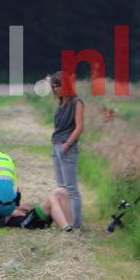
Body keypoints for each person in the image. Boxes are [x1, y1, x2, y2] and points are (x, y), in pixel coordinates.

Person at [50, 70, 84, 229]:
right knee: (61, 187)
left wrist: (67, 144)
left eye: (59, 85)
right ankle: (66, 222)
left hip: (67, 147)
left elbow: (79, 127)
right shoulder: (61, 103)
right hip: (56, 145)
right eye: (54, 86)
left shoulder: (77, 103)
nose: (56, 89)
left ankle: (76, 223)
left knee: (71, 189)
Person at [0, 187, 74, 231]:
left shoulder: (2, 195)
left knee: (62, 191)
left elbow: (24, 208)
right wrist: (11, 212)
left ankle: (70, 226)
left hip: (31, 216)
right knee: (53, 197)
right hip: (26, 222)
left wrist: (21, 206)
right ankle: (65, 228)